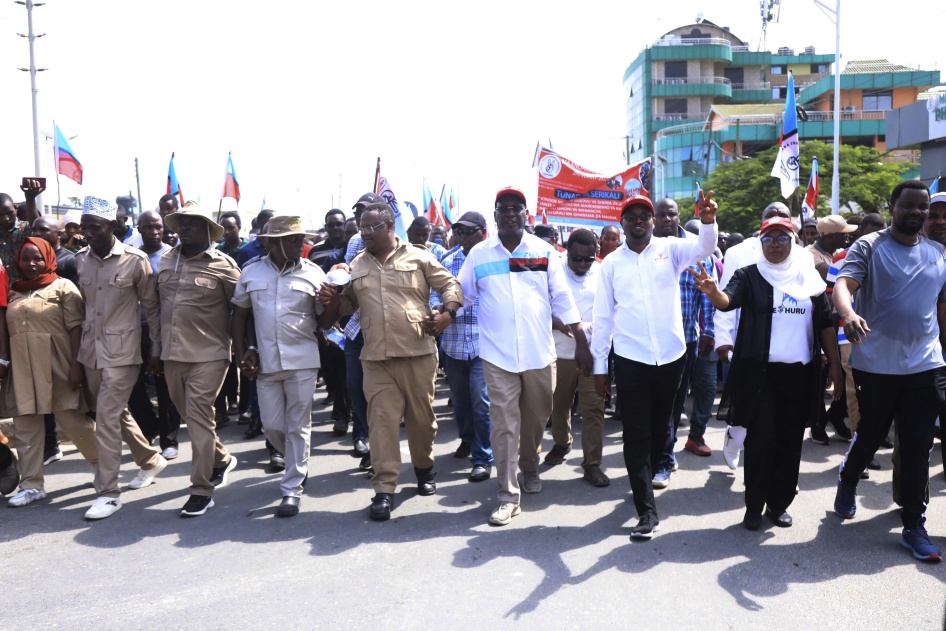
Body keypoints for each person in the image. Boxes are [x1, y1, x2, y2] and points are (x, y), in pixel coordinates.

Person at [690, 216, 841, 530]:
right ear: (760, 243)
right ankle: (753, 506)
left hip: (799, 376)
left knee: (789, 441)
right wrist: (713, 293)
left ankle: (778, 504)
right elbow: (728, 301)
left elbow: (826, 323)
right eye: (768, 238)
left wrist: (836, 366)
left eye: (781, 238)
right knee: (762, 440)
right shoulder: (750, 276)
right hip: (761, 375)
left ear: (793, 241)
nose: (774, 244)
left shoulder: (809, 278)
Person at [319, 202, 463, 521]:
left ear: (388, 227)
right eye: (361, 228)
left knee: (421, 422)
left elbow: (450, 285)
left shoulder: (419, 256)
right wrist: (331, 301)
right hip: (376, 358)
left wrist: (446, 315)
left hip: (419, 354)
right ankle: (384, 489)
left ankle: (424, 470)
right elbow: (345, 306)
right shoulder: (356, 264)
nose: (364, 233)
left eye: (370, 228)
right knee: (381, 422)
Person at [457, 186, 590, 527]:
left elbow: (562, 297)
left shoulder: (545, 252)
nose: (511, 213)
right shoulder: (480, 256)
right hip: (497, 356)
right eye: (504, 208)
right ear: (496, 214)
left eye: (517, 208)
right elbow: (462, 295)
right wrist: (444, 313)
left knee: (535, 419)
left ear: (526, 214)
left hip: (539, 355)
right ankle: (506, 494)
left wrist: (580, 339)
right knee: (504, 424)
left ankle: (529, 464)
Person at [592, 191, 718, 540]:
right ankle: (646, 509)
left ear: (652, 221)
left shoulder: (670, 249)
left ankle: (646, 474)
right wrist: (601, 367)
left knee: (660, 430)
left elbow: (704, 248)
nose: (637, 221)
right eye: (630, 216)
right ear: (622, 223)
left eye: (643, 215)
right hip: (631, 359)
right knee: (636, 432)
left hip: (672, 358)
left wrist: (708, 222)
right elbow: (603, 318)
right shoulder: (612, 264)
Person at [832, 181, 946, 562]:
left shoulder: (938, 253)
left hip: (926, 364)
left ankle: (913, 524)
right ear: (892, 207)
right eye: (909, 206)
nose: (917, 213)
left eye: (923, 208)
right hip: (877, 365)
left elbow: (940, 312)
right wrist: (848, 314)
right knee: (873, 433)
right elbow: (843, 285)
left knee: (917, 444)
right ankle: (848, 478)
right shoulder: (869, 246)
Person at [232, 216, 333, 517]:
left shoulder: (314, 273)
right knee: (272, 425)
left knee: (298, 424)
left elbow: (324, 321)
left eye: (300, 239)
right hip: (266, 361)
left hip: (303, 360)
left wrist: (332, 302)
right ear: (271, 243)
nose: (299, 244)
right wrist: (242, 353)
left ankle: (291, 489)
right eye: (291, 239)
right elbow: (239, 316)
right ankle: (297, 463)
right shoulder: (250, 272)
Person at [75, 196, 168, 520]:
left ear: (113, 226)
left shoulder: (135, 260)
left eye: (95, 227)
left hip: (124, 353)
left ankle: (108, 493)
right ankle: (150, 460)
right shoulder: (81, 261)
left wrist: (155, 350)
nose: (87, 233)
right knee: (113, 413)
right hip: (91, 353)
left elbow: (152, 309)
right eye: (85, 227)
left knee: (107, 419)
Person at [714, 202, 815, 468]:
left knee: (770, 416)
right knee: (745, 403)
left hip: (789, 345)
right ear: (762, 224)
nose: (777, 221)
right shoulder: (737, 253)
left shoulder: (803, 255)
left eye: (783, 218)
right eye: (770, 216)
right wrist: (723, 339)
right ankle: (735, 436)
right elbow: (725, 296)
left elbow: (813, 304)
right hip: (748, 341)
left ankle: (776, 476)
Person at [157, 201, 240, 517]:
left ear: (208, 229)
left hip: (210, 354)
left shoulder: (225, 266)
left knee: (199, 416)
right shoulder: (166, 260)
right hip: (172, 353)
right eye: (182, 223)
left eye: (193, 222)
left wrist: (245, 348)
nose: (185, 228)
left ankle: (201, 489)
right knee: (190, 417)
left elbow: (243, 309)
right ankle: (221, 459)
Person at [5, 238, 100, 508]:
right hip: (23, 368)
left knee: (73, 422)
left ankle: (103, 467)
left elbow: (77, 329)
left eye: (38, 259)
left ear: (49, 258)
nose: (32, 264)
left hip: (58, 364)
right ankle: (32, 485)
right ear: (18, 262)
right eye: (26, 259)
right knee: (26, 428)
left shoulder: (63, 286)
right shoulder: (14, 291)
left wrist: (76, 366)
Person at [650, 198, 717, 489]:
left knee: (675, 403)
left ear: (679, 216)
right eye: (660, 214)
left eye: (671, 214)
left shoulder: (695, 248)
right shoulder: (642, 248)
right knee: (651, 405)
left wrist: (708, 331)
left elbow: (708, 291)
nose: (666, 219)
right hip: (648, 342)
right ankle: (658, 453)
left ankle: (664, 455)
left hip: (686, 340)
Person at [545, 229, 609, 487]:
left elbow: (611, 310)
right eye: (576, 258)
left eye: (588, 258)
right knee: (559, 405)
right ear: (566, 251)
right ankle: (562, 443)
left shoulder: (604, 272)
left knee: (594, 408)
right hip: (559, 352)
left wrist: (587, 329)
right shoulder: (553, 271)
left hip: (594, 353)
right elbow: (540, 308)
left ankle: (592, 464)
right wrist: (559, 324)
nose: (582, 264)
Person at [825, 212, 887, 474]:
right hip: (849, 335)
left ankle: (871, 439)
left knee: (880, 393)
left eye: (881, 232)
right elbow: (831, 299)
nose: (877, 238)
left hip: (883, 335)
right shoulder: (842, 257)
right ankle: (858, 449)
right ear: (859, 232)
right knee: (855, 392)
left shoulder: (890, 255)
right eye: (872, 232)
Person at [439, 211, 494, 482]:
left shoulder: (494, 257)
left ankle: (483, 456)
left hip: (484, 342)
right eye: (459, 231)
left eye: (468, 231)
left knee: (480, 399)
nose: (462, 236)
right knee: (460, 400)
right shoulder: (447, 260)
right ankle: (467, 439)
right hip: (453, 342)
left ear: (483, 232)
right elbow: (432, 294)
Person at [125, 211, 181, 460]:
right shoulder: (130, 256)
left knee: (165, 383)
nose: (154, 231)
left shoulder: (173, 256)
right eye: (148, 227)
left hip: (165, 327)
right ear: (139, 228)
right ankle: (149, 426)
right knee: (132, 382)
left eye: (157, 226)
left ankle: (169, 439)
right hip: (135, 328)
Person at [338, 192, 386, 467]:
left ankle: (377, 452)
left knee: (380, 395)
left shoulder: (400, 244)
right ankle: (363, 436)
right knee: (356, 387)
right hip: (357, 328)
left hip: (385, 330)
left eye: (367, 213)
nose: (361, 220)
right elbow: (349, 282)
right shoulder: (356, 242)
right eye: (358, 214)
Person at [0, 178, 43, 281]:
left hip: (25, 289)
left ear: (15, 208)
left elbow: (37, 228)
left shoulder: (25, 228)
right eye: (0, 215)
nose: (5, 218)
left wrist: (30, 199)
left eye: (9, 213)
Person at [31, 216, 78, 287]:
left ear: (59, 234)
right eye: (34, 230)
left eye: (43, 230)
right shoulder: (29, 259)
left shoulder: (70, 260)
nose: (36, 234)